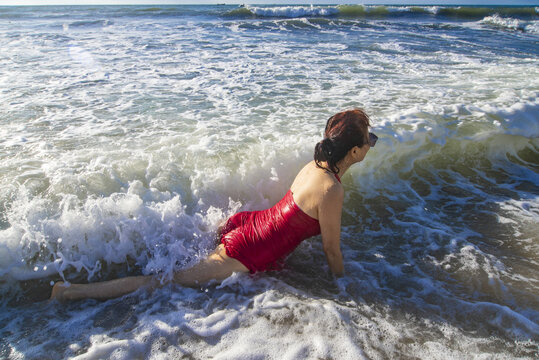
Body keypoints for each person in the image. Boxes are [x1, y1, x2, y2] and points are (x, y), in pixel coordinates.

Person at [50, 109, 377, 301]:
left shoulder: (316, 165)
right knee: (165, 282)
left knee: (175, 267)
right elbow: (332, 252)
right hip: (247, 248)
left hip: (248, 223)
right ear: (353, 152)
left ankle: (128, 257)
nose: (371, 145)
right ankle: (69, 291)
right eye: (369, 140)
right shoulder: (332, 189)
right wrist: (343, 289)